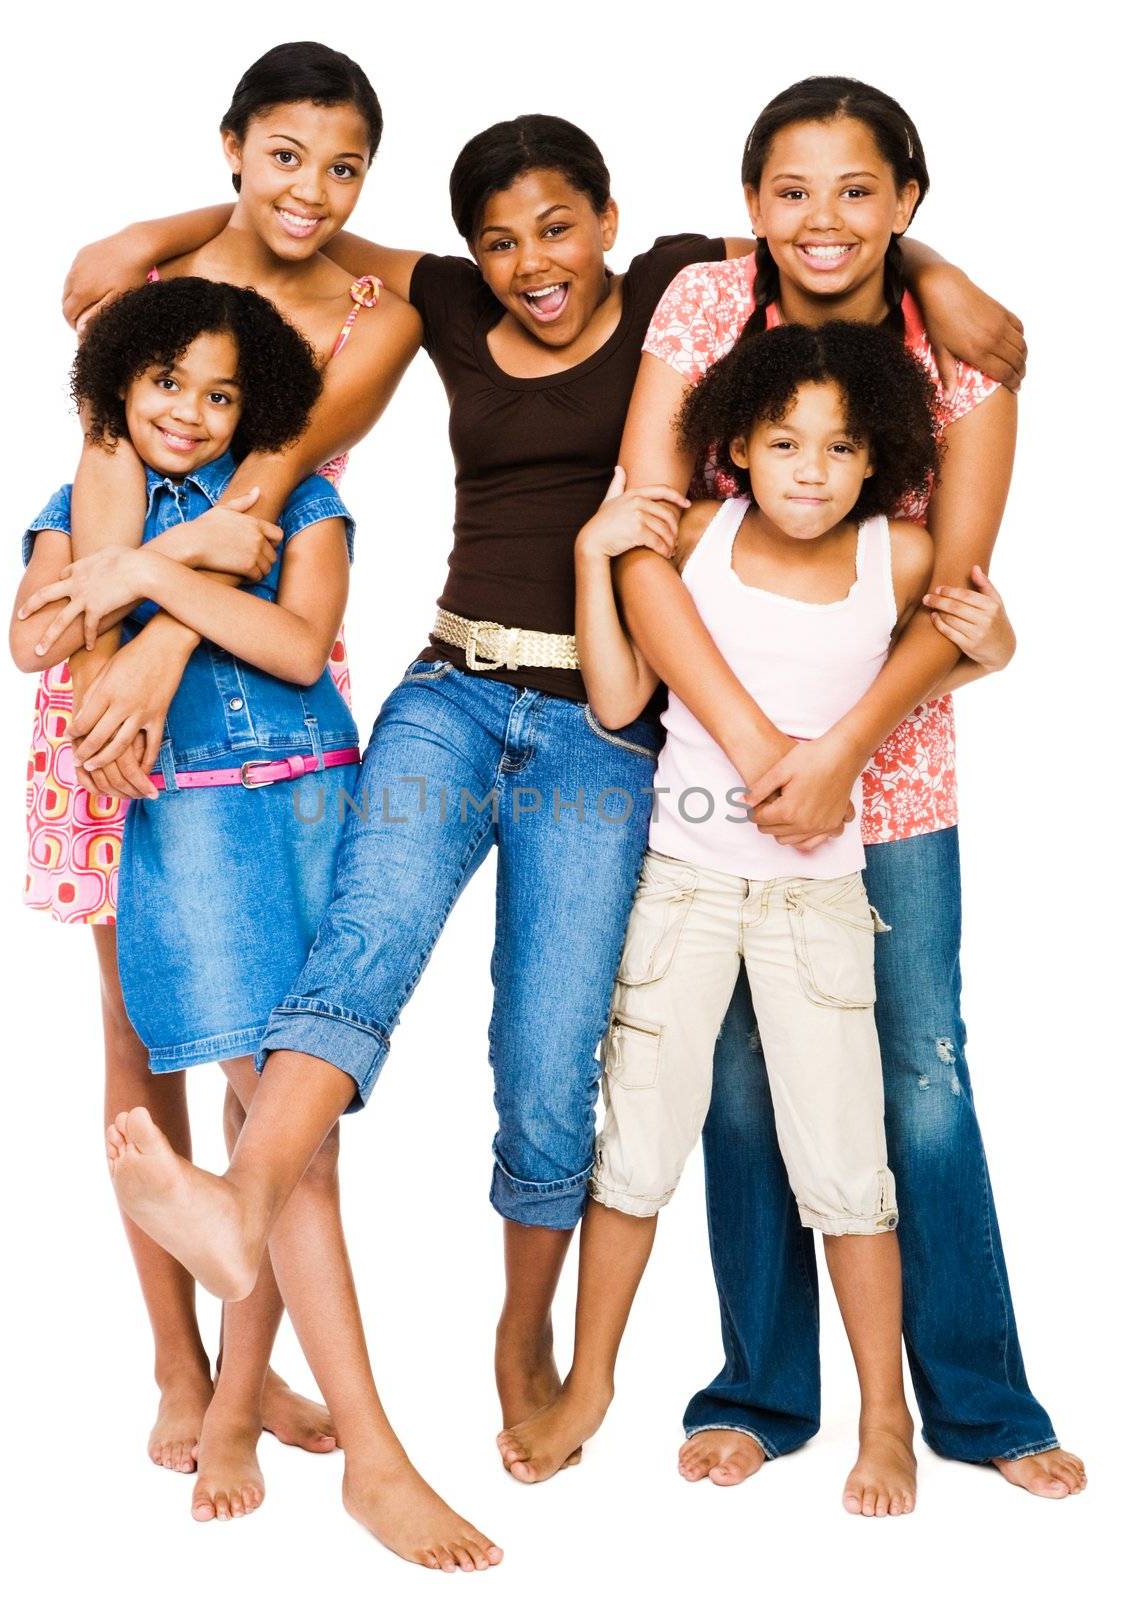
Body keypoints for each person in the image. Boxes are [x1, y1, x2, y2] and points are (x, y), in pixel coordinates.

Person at [82, 106, 1029, 1469]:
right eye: (500, 237)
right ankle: (240, 1208)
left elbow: (824, 236)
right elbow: (302, 224)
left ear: (610, 220)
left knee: (555, 1055)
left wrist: (936, 271)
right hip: (458, 693)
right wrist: (156, 231)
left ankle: (531, 1336)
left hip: (605, 730)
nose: (533, 257)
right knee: (367, 945)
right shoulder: (468, 299)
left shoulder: (673, 286)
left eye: (559, 225)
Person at [19, 46, 504, 1566]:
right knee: (137, 1042)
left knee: (265, 1071)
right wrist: (110, 678)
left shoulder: (381, 309)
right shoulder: (140, 293)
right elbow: (100, 497)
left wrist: (154, 637)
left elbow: (263, 497)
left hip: (247, 690)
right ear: (232, 146)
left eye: (342, 166)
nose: (308, 190)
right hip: (120, 713)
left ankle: (244, 1395)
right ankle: (186, 1369)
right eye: (279, 156)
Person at [608, 74, 1084, 1499]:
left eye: (860, 191)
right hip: (717, 767)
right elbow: (642, 543)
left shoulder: (963, 348)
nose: (825, 219)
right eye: (793, 191)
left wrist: (840, 752)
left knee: (920, 1072)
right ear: (753, 203)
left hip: (894, 772)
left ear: (908, 202)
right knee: (743, 1082)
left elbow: (954, 589)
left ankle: (982, 1407)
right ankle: (763, 1391)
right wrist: (761, 750)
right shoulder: (704, 305)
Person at [502, 319, 958, 1514]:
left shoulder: (895, 556)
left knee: (848, 1169)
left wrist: (851, 745)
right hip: (685, 886)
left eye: (842, 447)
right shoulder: (692, 540)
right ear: (738, 451)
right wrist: (598, 555)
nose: (811, 467)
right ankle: (590, 1384)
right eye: (785, 441)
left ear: (877, 461)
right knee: (636, 1151)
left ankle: (886, 1419)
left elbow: (987, 636)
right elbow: (615, 696)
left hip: (818, 900)